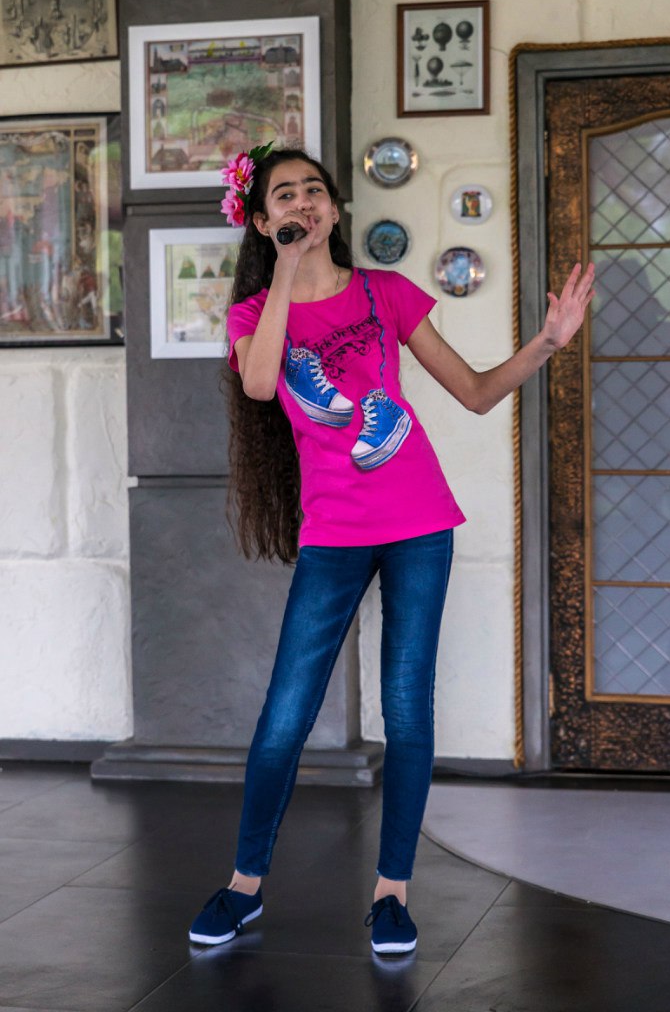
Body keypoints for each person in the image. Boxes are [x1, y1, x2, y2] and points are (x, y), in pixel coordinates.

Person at [188, 145, 595, 955]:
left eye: (313, 190)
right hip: (333, 532)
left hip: (418, 522)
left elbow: (474, 393)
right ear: (263, 221)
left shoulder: (387, 293)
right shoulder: (254, 316)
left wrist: (549, 342)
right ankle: (244, 887)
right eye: (283, 196)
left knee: (407, 709)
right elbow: (262, 384)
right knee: (285, 717)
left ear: (335, 209)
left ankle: (392, 895)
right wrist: (286, 271)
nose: (302, 202)